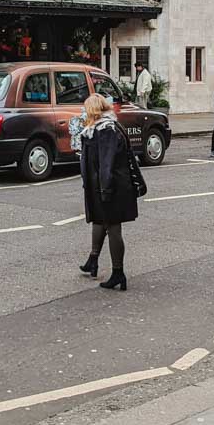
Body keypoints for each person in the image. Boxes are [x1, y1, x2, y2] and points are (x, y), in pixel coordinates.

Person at [76, 94, 141, 291]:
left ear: (93, 110)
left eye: (87, 110)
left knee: (113, 227)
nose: (84, 113)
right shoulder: (100, 128)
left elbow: (106, 162)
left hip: (110, 186)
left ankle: (118, 273)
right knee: (100, 221)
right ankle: (93, 261)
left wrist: (105, 189)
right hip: (103, 186)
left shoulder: (106, 130)